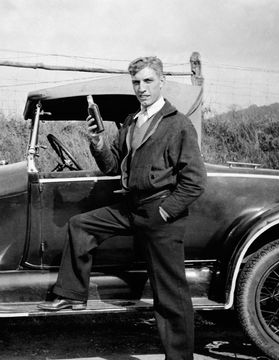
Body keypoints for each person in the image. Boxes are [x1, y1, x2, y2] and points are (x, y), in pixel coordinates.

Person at [38, 56, 207, 360]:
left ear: (161, 82)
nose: (142, 88)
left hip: (161, 214)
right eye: (136, 82)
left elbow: (194, 182)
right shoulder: (131, 121)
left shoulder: (178, 124)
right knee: (81, 225)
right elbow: (112, 166)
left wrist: (165, 212)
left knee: (170, 296)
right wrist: (98, 143)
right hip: (131, 207)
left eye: (148, 81)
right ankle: (72, 295)